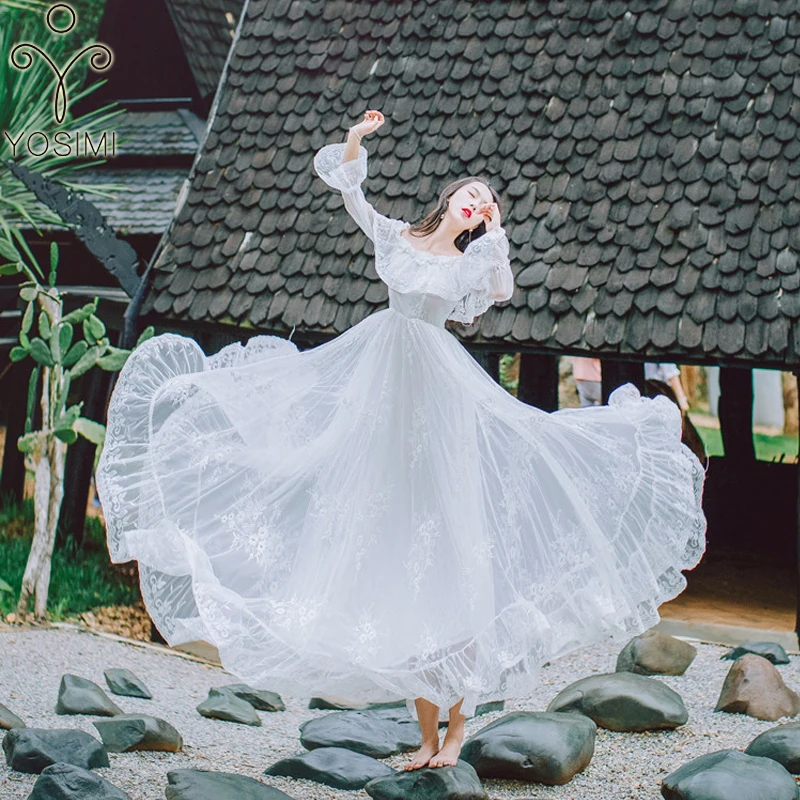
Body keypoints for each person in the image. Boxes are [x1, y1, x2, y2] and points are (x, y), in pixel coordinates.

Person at [95, 110, 707, 772]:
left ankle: (456, 736)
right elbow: (350, 193)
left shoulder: (471, 261)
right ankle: (424, 738)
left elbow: (500, 289)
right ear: (449, 199)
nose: (477, 202)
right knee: (392, 553)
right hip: (382, 378)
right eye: (471, 194)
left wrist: (497, 235)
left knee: (460, 551)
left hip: (441, 393)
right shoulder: (397, 238)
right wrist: (357, 140)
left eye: (486, 202)